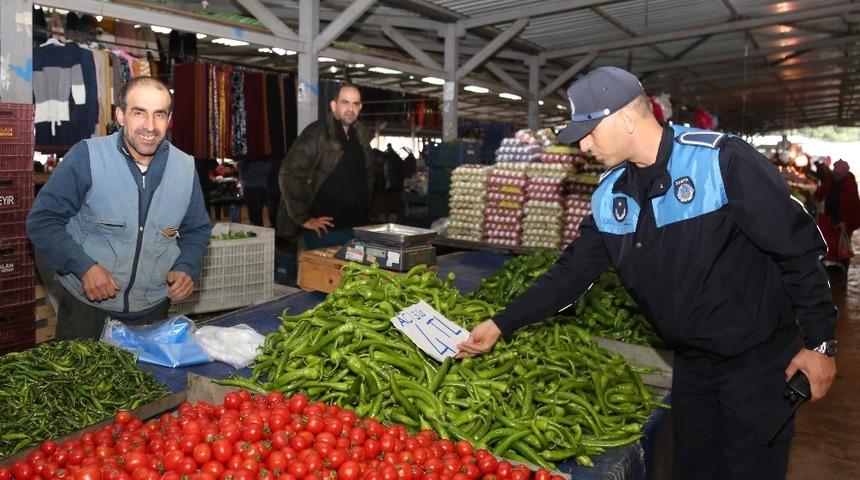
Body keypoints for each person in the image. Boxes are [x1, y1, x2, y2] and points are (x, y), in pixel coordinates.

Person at [458, 66, 838, 479]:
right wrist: (501, 323)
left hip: (757, 365)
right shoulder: (611, 196)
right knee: (692, 469)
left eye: (589, 131)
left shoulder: (720, 161)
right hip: (693, 368)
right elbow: (570, 275)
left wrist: (820, 344)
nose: (584, 145)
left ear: (624, 117)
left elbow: (798, 249)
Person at [27, 76, 212, 340]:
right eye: (139, 113)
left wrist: (187, 266)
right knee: (79, 380)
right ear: (121, 115)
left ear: (169, 120)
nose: (150, 126)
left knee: (147, 381)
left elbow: (197, 229)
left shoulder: (184, 167)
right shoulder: (87, 157)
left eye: (159, 114)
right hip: (88, 309)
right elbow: (42, 221)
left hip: (153, 309)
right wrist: (83, 266)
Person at [277, 83, 374, 249]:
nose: (350, 108)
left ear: (360, 108)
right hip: (324, 233)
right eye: (345, 102)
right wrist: (303, 218)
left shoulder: (362, 137)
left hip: (356, 229)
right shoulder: (316, 133)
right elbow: (289, 173)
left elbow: (368, 178)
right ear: (333, 105)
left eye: (355, 104)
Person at [815, 159, 860, 271]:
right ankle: (830, 262)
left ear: (844, 173)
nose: (836, 176)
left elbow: (853, 206)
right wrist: (815, 196)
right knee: (829, 240)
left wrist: (845, 222)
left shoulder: (850, 183)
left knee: (842, 242)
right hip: (830, 216)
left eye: (839, 175)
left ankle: (842, 265)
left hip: (845, 218)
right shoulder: (830, 179)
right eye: (835, 173)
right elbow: (822, 190)